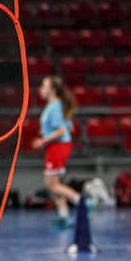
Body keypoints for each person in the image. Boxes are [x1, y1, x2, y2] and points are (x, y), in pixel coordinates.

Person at [31, 75, 82, 229]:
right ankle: (65, 217)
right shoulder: (55, 106)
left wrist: (42, 141)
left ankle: (83, 202)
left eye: (44, 86)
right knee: (52, 185)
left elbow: (61, 131)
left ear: (52, 90)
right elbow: (69, 126)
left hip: (58, 146)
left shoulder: (54, 106)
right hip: (56, 146)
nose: (41, 89)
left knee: (51, 185)